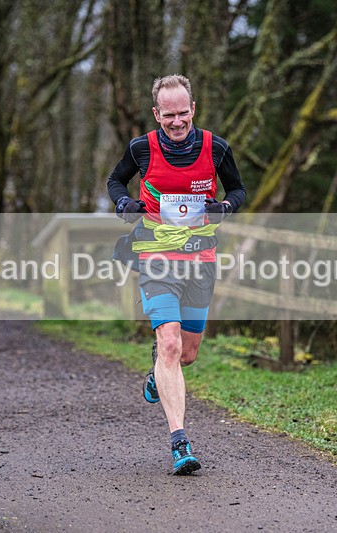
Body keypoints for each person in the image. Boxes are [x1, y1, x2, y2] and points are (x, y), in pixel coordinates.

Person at [107, 74, 247, 475]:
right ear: (157, 114)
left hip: (200, 260)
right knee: (169, 343)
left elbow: (238, 190)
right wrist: (124, 204)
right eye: (168, 115)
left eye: (183, 113)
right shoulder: (141, 148)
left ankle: (158, 372)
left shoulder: (216, 148)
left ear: (193, 109)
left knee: (186, 353)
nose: (177, 121)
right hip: (156, 258)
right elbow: (116, 181)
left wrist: (225, 207)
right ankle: (180, 443)